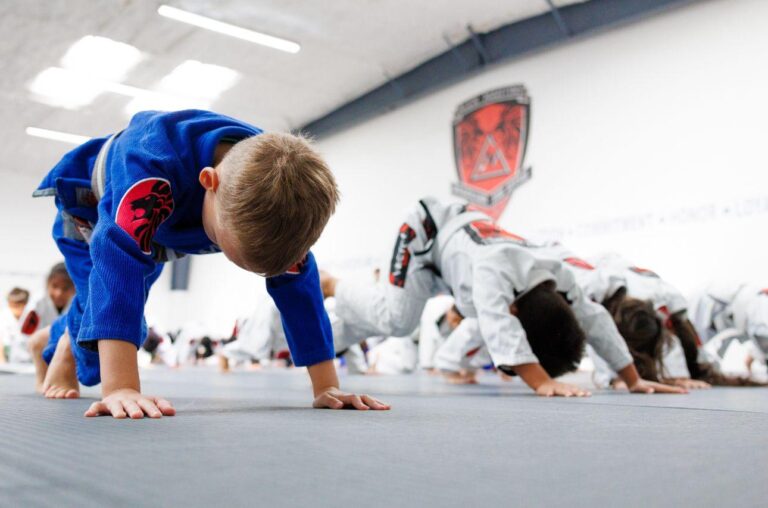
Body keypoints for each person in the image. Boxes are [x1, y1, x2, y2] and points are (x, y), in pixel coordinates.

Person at [31, 109, 389, 418]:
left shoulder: (279, 197)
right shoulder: (152, 167)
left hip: (163, 227)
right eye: (222, 242)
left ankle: (60, 337)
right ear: (209, 182)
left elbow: (301, 294)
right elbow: (116, 270)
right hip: (90, 209)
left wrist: (326, 386)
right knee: (104, 324)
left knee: (120, 325)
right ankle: (61, 348)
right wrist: (121, 388)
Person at [322, 197, 682, 397]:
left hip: (451, 258)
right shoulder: (494, 273)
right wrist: (541, 381)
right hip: (425, 233)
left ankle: (319, 340)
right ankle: (331, 285)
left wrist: (633, 379)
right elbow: (498, 324)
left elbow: (595, 318)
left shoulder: (557, 277)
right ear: (514, 309)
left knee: (385, 316)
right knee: (397, 321)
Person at [26, 263, 75, 389]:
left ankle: (67, 383)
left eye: (65, 288)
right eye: (54, 286)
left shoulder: (79, 301)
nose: (59, 293)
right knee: (36, 341)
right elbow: (29, 335)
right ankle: (41, 382)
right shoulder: (37, 302)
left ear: (74, 288)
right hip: (41, 349)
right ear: (47, 284)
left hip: (70, 347)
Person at [0, 288, 30, 364]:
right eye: (12, 305)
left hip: (28, 360)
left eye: (17, 305)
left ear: (24, 304)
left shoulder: (31, 316)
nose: (15, 308)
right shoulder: (3, 317)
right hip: (8, 361)